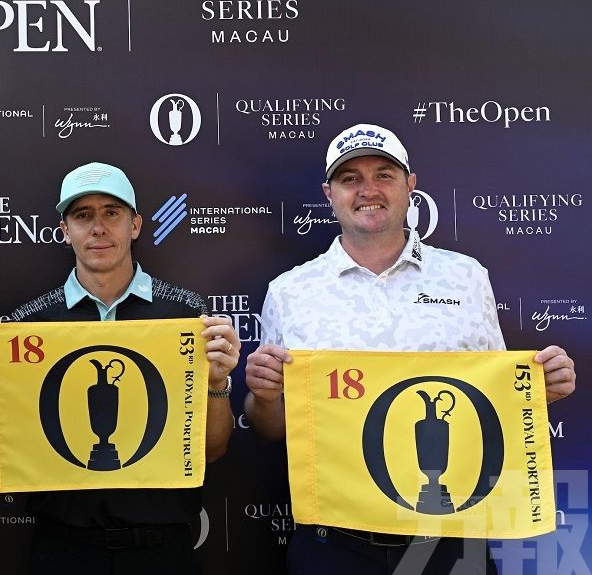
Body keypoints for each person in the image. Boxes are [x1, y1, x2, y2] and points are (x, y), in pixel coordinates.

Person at [244, 124, 577, 574]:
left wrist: (539, 392)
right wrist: (264, 397)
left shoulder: (465, 277)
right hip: (335, 542)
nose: (368, 190)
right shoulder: (290, 291)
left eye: (384, 175)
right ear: (329, 194)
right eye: (350, 178)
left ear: (410, 186)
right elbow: (272, 428)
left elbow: (493, 402)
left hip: (451, 538)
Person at [0, 162, 238, 574]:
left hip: (163, 549)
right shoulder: (27, 326)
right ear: (65, 231)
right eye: (83, 216)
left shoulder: (187, 317)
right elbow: (0, 444)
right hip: (62, 549)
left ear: (134, 225)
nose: (98, 228)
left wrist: (218, 382)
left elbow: (213, 449)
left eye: (111, 213)